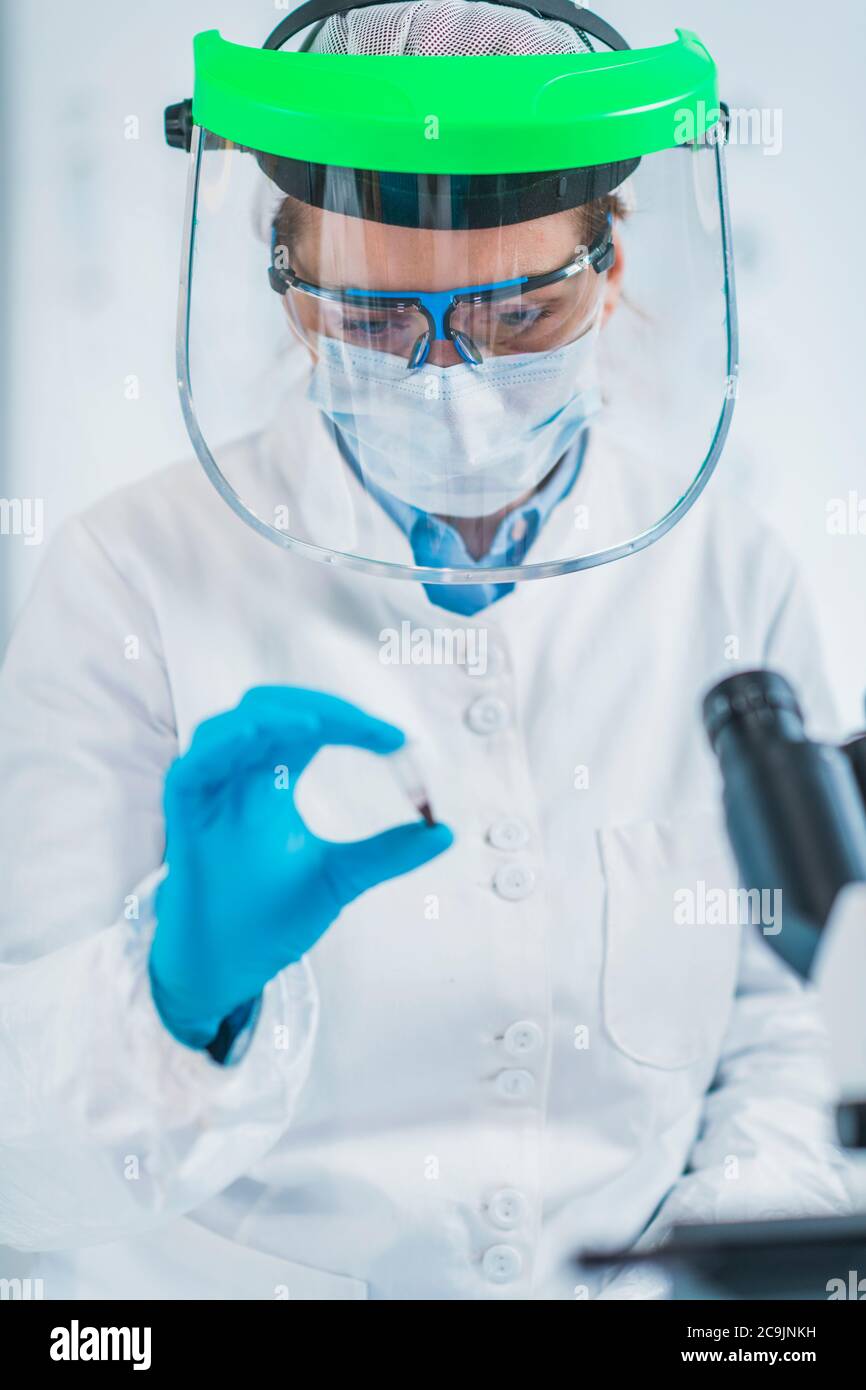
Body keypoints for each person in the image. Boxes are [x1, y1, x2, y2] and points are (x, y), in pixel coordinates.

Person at [0, 0, 849, 1301]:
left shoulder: (727, 571)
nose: (446, 382)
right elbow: (23, 1158)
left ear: (611, 270)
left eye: (517, 318)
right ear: (283, 293)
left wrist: (712, 1269)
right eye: (372, 321)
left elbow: (783, 1012)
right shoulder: (127, 574)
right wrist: (177, 1001)